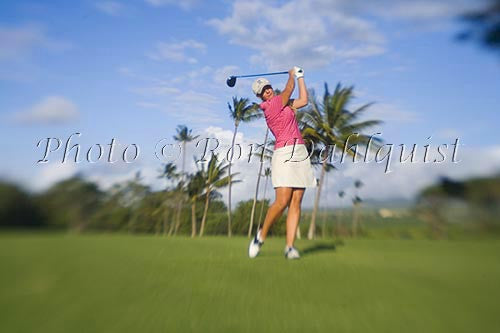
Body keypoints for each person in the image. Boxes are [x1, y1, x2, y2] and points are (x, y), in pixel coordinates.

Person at [248, 66, 317, 259]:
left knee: (296, 201)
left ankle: (289, 247)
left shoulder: (284, 104)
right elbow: (288, 90)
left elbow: (303, 100)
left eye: (268, 87)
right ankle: (261, 236)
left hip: (300, 152)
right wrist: (290, 75)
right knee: (282, 201)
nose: (267, 91)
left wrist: (301, 76)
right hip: (284, 153)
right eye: (263, 91)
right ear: (260, 97)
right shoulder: (271, 105)